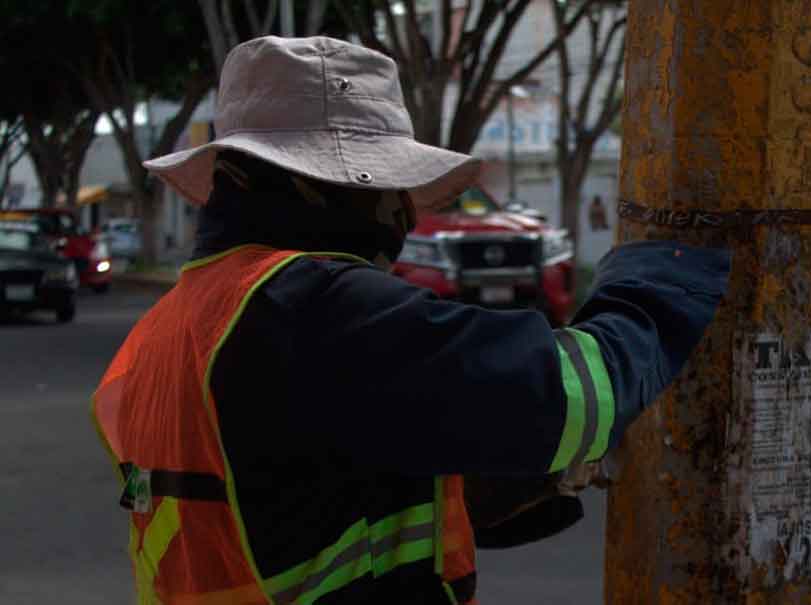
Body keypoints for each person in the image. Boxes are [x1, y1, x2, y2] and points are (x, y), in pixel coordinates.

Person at [91, 36, 730, 604]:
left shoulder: (171, 327)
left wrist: (466, 479)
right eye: (388, 189)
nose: (402, 213)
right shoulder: (309, 304)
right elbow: (571, 396)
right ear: (320, 185)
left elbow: (275, 491)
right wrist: (662, 275)